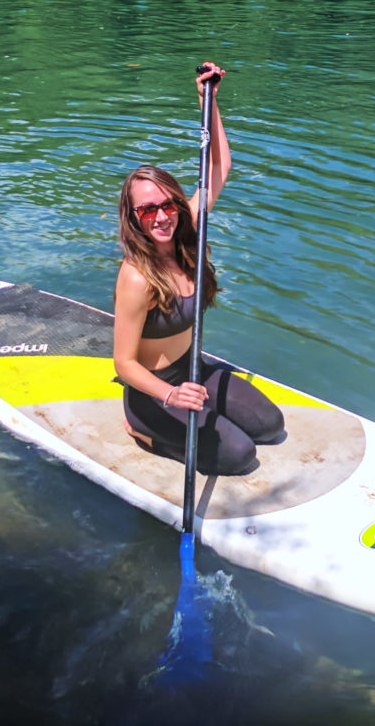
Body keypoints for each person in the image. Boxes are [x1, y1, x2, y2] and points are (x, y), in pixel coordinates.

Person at [113, 62, 284, 475]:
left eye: (166, 204)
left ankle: (197, 414)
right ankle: (144, 432)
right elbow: (123, 364)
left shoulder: (189, 231)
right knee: (240, 456)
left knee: (270, 426)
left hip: (194, 368)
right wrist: (171, 397)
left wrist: (209, 102)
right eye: (147, 209)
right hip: (154, 392)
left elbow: (218, 168)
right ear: (134, 217)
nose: (160, 216)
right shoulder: (137, 276)